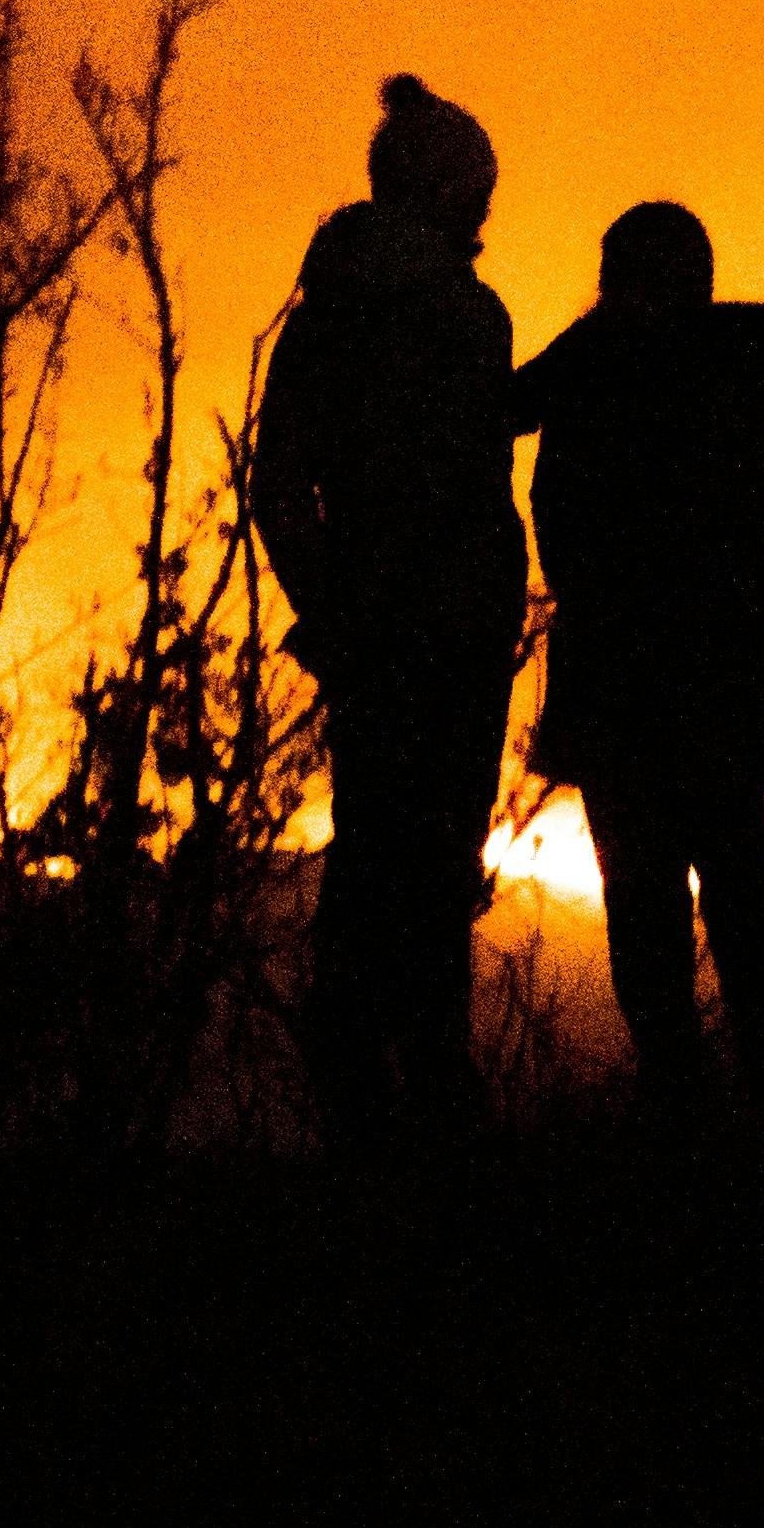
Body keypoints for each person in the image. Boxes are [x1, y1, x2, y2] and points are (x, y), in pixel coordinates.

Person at [251, 73, 526, 1144]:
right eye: (478, 188)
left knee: (378, 858)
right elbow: (463, 480)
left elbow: (281, 481)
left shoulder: (332, 311)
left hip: (392, 628)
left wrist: (327, 603)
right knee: (418, 870)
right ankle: (417, 1109)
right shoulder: (464, 311)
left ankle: (376, 1102)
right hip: (446, 633)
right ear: (455, 189)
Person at [515, 201, 764, 1108]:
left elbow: (549, 508)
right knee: (734, 886)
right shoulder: (740, 373)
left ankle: (683, 1101)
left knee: (649, 898)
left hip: (622, 682)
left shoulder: (589, 372)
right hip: (719, 675)